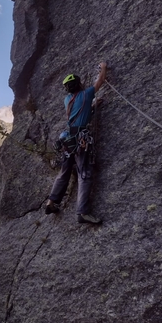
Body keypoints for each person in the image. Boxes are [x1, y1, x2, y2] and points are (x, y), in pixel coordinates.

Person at [45, 62, 107, 224]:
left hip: (67, 139)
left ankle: (51, 202)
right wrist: (103, 67)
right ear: (79, 84)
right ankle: (82, 212)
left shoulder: (67, 100)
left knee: (64, 172)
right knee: (84, 174)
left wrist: (92, 106)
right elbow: (100, 81)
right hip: (81, 139)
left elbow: (78, 112)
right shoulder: (86, 94)